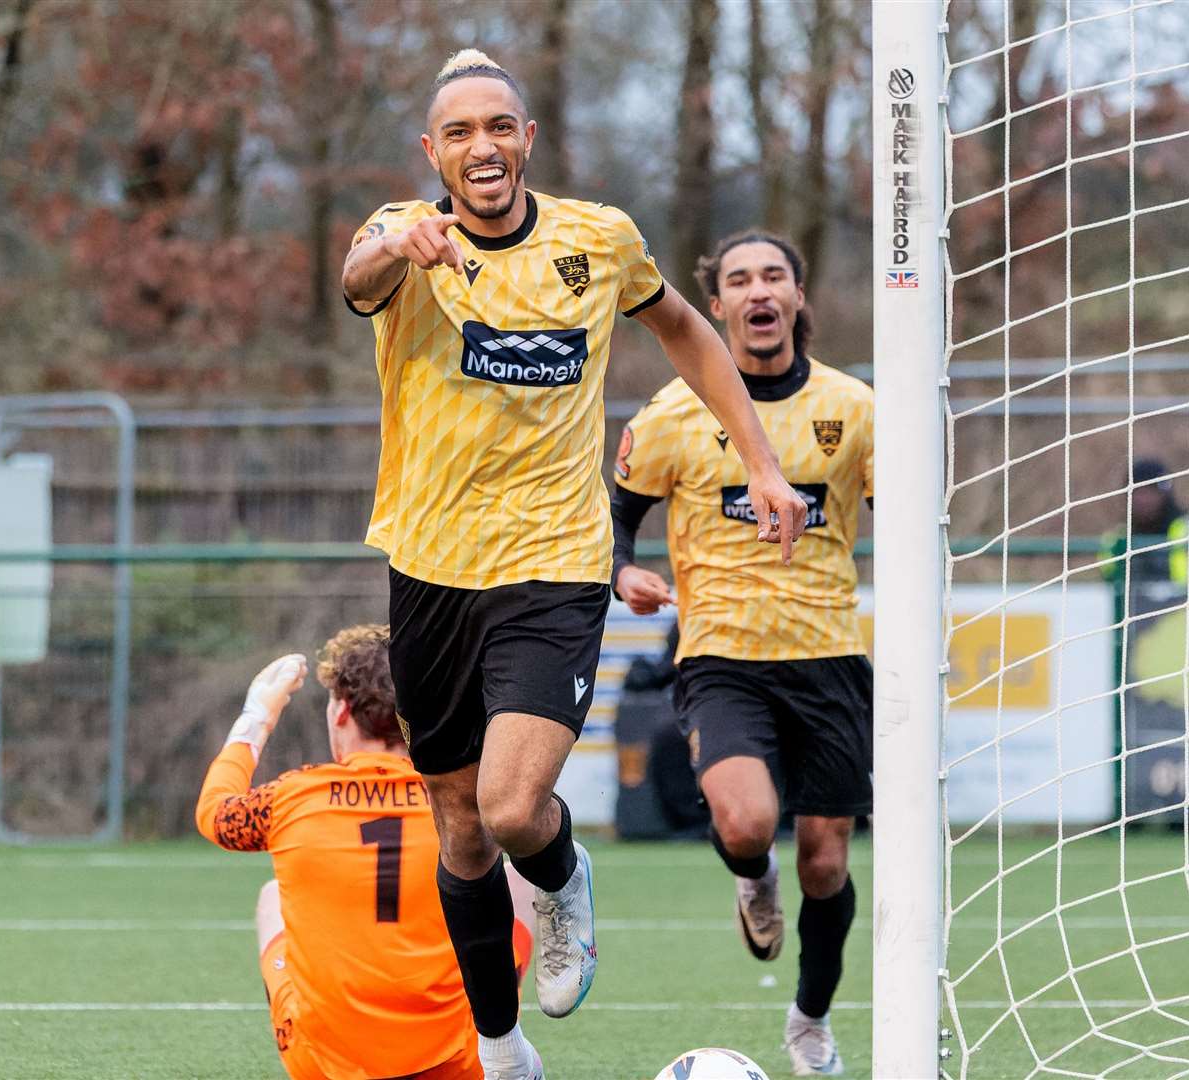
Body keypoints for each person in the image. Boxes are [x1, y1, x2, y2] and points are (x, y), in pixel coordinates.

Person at [340, 48, 806, 1079]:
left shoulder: (599, 239)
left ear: (528, 139)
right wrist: (401, 246)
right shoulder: (397, 232)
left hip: (554, 562)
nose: (482, 147)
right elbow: (356, 275)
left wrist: (762, 462)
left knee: (510, 810)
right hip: (428, 569)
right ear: (434, 153)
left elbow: (684, 328)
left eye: (498, 126)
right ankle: (501, 1047)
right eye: (458, 133)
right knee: (459, 829)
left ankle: (559, 877)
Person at [611, 232, 873, 1076]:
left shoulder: (855, 408)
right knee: (747, 820)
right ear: (715, 306)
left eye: (773, 277)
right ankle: (752, 876)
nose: (758, 292)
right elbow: (613, 521)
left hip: (830, 656)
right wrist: (623, 571)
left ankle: (809, 1020)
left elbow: (909, 514)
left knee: (827, 861)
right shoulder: (673, 414)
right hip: (719, 653)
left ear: (798, 296)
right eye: (738, 281)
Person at [195, 626, 535, 1080]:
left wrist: (257, 717)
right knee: (524, 877)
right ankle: (504, 1045)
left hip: (319, 1064)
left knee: (273, 897)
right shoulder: (463, 798)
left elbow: (214, 815)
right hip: (458, 1061)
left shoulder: (292, 798)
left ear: (340, 713)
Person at [1099, 458, 1189, 590]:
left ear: (1165, 494)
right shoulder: (1116, 539)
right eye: (1137, 491)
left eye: (1150, 491)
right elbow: (1109, 589)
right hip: (1135, 609)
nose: (1143, 499)